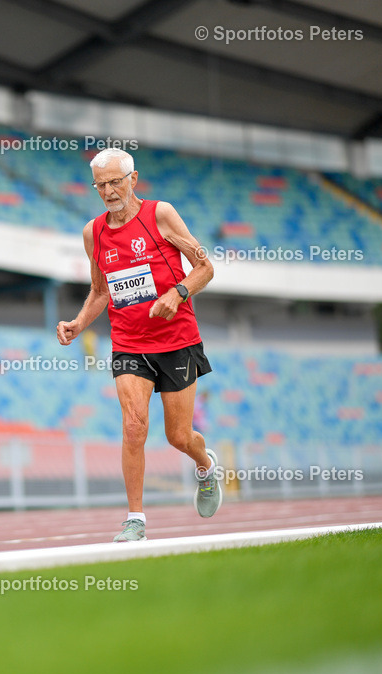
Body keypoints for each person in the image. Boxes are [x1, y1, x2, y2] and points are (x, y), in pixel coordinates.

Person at [57, 148, 219, 542]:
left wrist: (178, 293)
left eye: (116, 182)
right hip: (129, 344)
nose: (109, 191)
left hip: (177, 340)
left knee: (178, 437)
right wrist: (79, 322)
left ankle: (205, 465)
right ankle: (135, 519)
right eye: (101, 185)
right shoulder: (92, 233)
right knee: (133, 427)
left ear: (133, 179)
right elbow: (99, 290)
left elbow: (205, 266)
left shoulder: (160, 214)